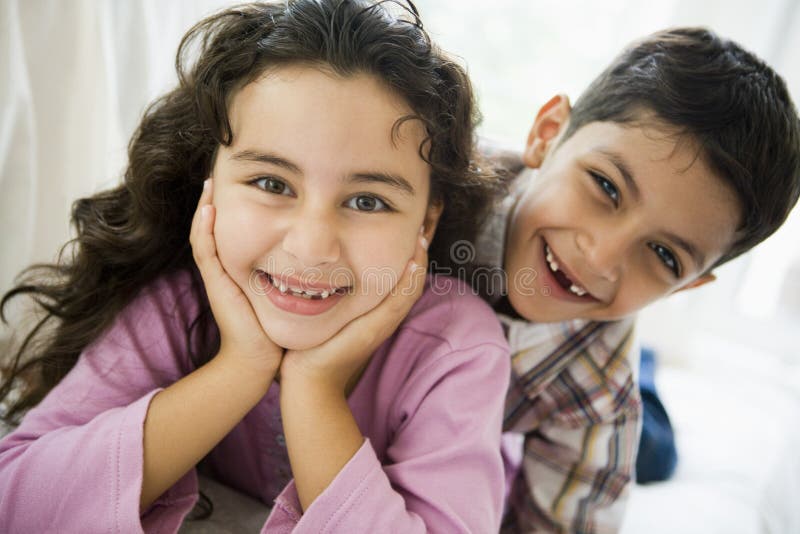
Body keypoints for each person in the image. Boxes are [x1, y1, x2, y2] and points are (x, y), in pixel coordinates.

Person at [0, 1, 512, 532]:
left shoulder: (458, 347)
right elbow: (18, 504)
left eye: (367, 201)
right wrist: (241, 366)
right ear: (209, 183)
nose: (311, 248)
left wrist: (314, 388)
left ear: (426, 221)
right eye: (272, 183)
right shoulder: (177, 303)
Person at [470, 27, 800, 532]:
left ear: (685, 287)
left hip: (585, 346)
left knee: (653, 453)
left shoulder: (601, 391)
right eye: (606, 186)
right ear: (546, 134)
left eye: (665, 256)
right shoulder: (420, 189)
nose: (602, 257)